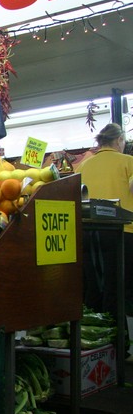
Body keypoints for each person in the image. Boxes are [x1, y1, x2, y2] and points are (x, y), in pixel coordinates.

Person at [76, 123, 133, 352]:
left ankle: (97, 347)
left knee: (93, 288)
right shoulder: (128, 162)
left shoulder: (84, 165)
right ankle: (121, 347)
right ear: (119, 141)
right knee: (120, 289)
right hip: (123, 233)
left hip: (88, 233)